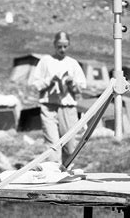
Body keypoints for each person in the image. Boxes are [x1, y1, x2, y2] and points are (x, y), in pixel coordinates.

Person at [29, 31, 87, 165]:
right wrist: (49, 81)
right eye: (59, 46)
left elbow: (81, 86)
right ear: (54, 45)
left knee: (70, 145)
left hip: (68, 107)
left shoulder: (73, 63)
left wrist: (72, 83)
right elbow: (36, 83)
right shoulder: (45, 61)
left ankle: (67, 169)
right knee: (52, 144)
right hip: (49, 106)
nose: (62, 49)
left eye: (65, 46)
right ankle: (53, 171)